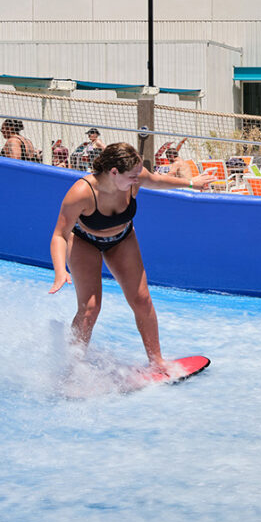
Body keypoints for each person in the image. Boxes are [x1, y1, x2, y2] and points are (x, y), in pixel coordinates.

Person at [48, 142, 202, 373]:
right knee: (90, 307)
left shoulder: (134, 179)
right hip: (84, 242)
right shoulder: (82, 192)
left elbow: (157, 181)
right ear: (113, 172)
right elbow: (60, 234)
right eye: (132, 176)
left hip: (122, 238)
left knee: (142, 300)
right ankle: (72, 371)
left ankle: (156, 362)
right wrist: (61, 271)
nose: (137, 179)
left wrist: (191, 183)